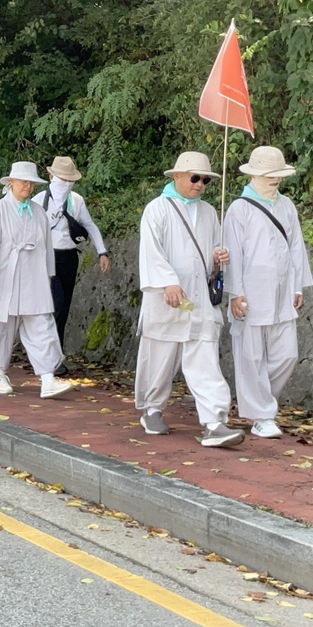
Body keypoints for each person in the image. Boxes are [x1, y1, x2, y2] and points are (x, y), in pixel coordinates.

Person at [134, 151, 243, 448]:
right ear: (178, 176)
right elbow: (151, 250)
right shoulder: (157, 209)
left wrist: (218, 258)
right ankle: (152, 408)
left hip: (198, 299)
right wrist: (167, 281)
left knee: (204, 357)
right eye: (194, 177)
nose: (199, 184)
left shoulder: (209, 212)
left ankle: (214, 421)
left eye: (205, 179)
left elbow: (212, 253)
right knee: (160, 356)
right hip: (169, 297)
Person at [223, 146, 313, 439]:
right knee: (250, 356)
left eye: (277, 174)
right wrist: (235, 293)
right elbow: (233, 253)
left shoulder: (287, 206)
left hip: (282, 291)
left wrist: (297, 285)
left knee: (287, 354)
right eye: (269, 174)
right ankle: (261, 414)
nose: (274, 180)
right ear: (255, 175)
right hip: (250, 291)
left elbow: (295, 247)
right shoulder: (239, 208)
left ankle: (261, 403)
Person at [0, 162, 76, 399]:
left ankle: (48, 377)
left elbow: (46, 248)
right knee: (1, 327)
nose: (27, 186)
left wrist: (49, 274)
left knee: (42, 324)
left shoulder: (39, 212)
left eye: (31, 182)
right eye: (23, 181)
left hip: (33, 276)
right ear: (11, 182)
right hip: (5, 276)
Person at [32, 156, 111, 373]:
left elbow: (90, 226)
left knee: (63, 307)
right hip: (46, 258)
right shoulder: (39, 201)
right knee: (54, 305)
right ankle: (51, 359)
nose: (65, 183)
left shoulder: (76, 201)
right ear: (51, 176)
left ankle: (53, 354)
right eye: (61, 179)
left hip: (69, 258)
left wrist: (102, 252)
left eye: (69, 179)